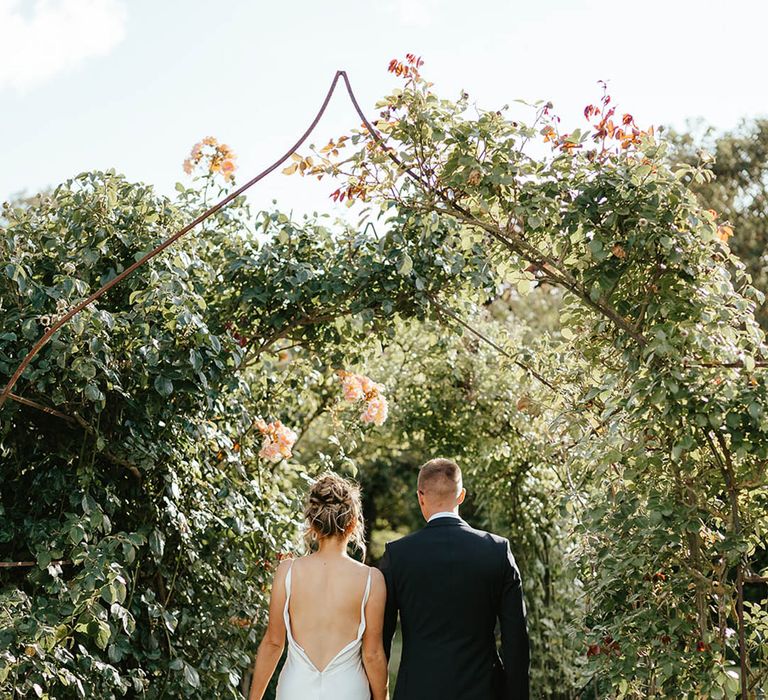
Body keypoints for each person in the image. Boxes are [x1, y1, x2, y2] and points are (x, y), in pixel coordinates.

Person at [379, 458, 530, 700]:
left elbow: (381, 638)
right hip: (483, 690)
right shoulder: (497, 551)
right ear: (461, 496)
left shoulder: (398, 555)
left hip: (418, 690)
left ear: (420, 496)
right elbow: (516, 639)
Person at [248, 472, 389, 700]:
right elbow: (372, 654)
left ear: (313, 522)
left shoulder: (288, 571)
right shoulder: (371, 579)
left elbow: (273, 642)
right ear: (353, 523)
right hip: (348, 690)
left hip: (296, 689)